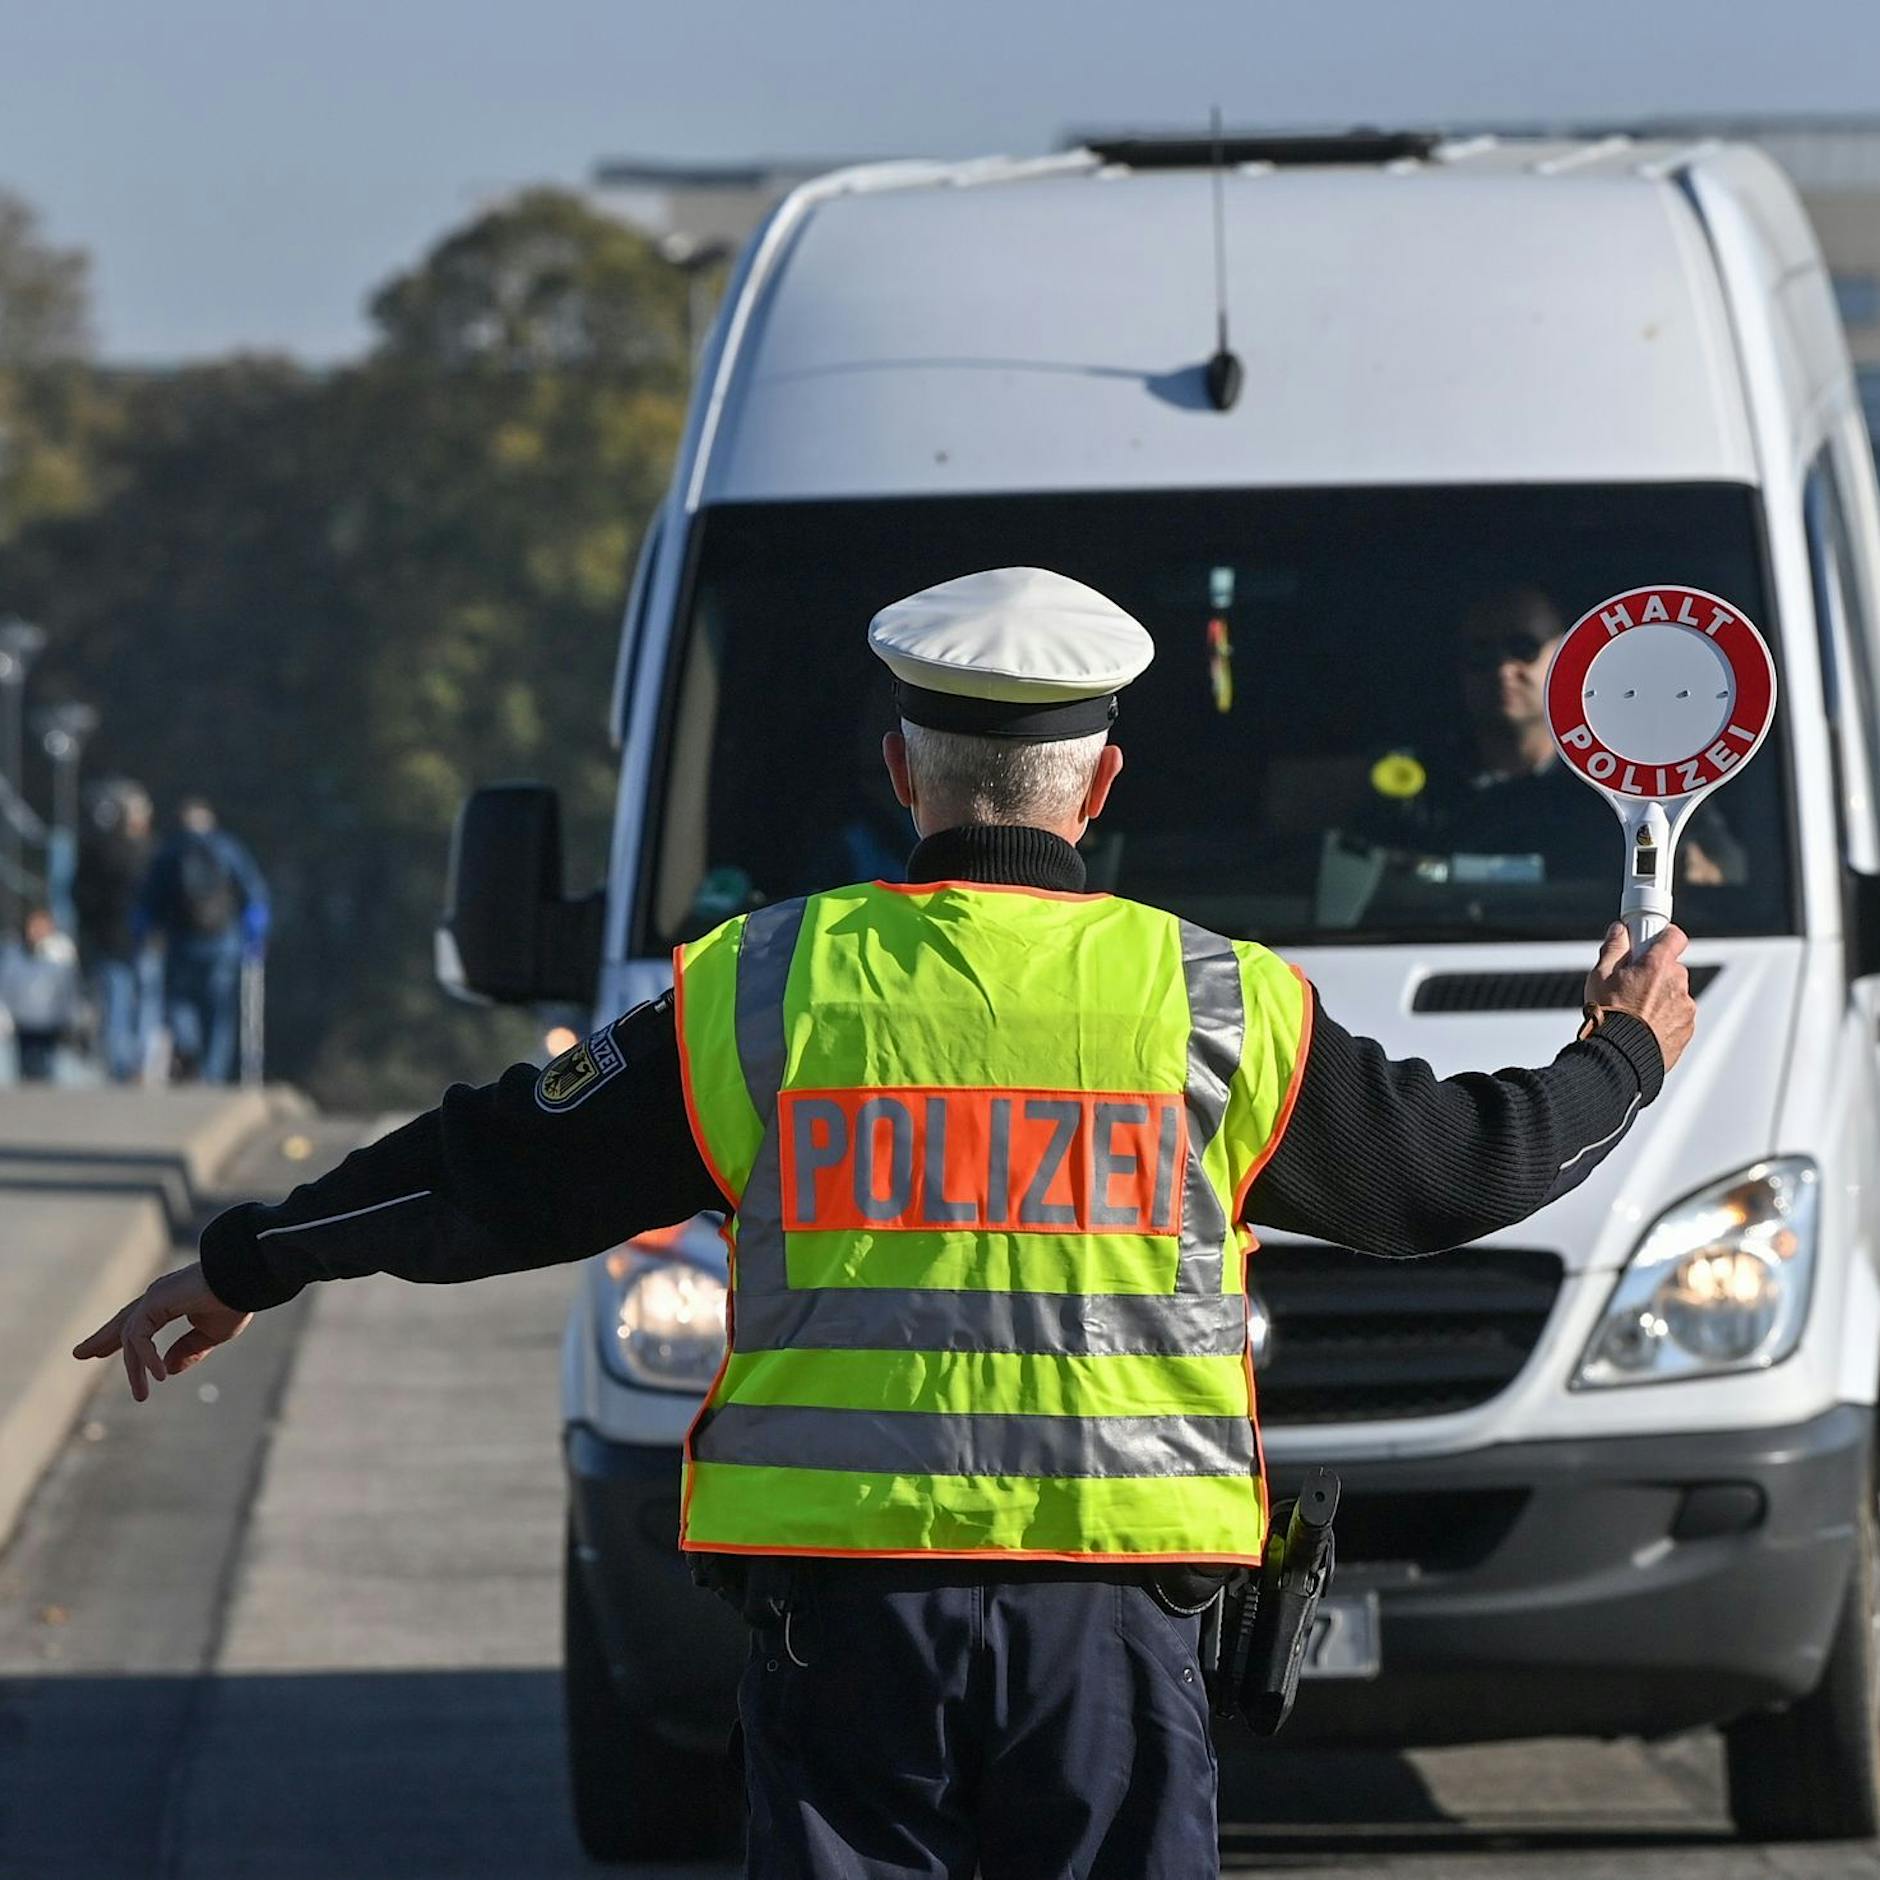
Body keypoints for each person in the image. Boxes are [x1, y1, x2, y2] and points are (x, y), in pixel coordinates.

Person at [74, 568, 1695, 1880]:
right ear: (1103, 782)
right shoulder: (1217, 1001)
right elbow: (1460, 1175)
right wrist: (1624, 1048)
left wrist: (246, 1262)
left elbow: (490, 1170)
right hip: (1112, 1628)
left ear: (903, 773)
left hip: (848, 1629)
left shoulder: (762, 989)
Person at [1391, 585, 1743, 884]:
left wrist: (1690, 870)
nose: (1503, 669)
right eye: (1481, 653)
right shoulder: (1415, 785)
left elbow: (1726, 869)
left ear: (1566, 656)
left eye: (1524, 647)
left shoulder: (1632, 781)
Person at [134, 797, 269, 1085]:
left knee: (179, 1002)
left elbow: (149, 901)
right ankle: (213, 1073)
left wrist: (145, 932)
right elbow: (253, 892)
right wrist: (255, 930)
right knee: (218, 1010)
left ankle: (189, 1049)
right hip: (223, 942)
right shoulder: (228, 848)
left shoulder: (170, 852)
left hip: (181, 942)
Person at [74, 780, 157, 1082]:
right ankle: (137, 1064)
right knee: (142, 1002)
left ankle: (121, 1066)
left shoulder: (95, 850)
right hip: (140, 940)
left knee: (116, 1004)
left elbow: (79, 896)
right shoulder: (146, 853)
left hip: (108, 939)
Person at [0, 905, 84, 1081]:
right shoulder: (14, 955)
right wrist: (5, 1012)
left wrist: (72, 1017)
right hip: (23, 1023)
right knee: (24, 1070)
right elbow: (6, 983)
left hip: (51, 1024)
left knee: (49, 1069)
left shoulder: (61, 955)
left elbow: (69, 990)